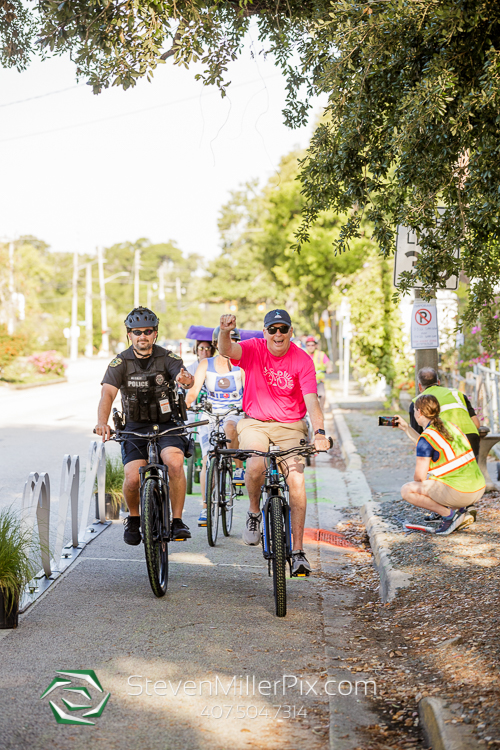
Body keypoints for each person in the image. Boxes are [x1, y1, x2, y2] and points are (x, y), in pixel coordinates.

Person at [218, 308, 330, 576]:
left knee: (297, 479)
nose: (278, 334)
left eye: (283, 329)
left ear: (291, 332)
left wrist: (320, 432)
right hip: (255, 422)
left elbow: (312, 399)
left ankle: (299, 550)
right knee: (255, 465)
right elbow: (226, 351)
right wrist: (224, 330)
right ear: (265, 332)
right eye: (272, 329)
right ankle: (255, 513)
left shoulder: (303, 360)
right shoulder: (254, 348)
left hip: (291, 425)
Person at [95, 306, 195, 546]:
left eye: (148, 331)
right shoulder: (119, 362)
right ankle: (134, 518)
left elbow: (184, 378)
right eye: (137, 331)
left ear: (155, 333)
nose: (143, 336)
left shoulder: (168, 358)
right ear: (129, 334)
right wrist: (102, 422)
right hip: (134, 427)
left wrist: (186, 380)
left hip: (167, 425)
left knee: (174, 462)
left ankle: (177, 521)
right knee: (131, 479)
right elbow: (107, 394)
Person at [399, 394, 485, 535]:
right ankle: (460, 511)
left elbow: (419, 478)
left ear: (419, 412)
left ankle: (448, 515)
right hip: (478, 489)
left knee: (407, 490)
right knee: (438, 478)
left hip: (461, 493)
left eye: (414, 410)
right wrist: (406, 428)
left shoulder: (427, 438)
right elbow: (427, 442)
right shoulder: (450, 426)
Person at [186, 326, 245, 526]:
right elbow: (193, 391)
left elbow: (251, 390)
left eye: (234, 341)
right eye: (225, 341)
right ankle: (205, 507)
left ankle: (238, 468)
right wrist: (185, 404)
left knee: (230, 427)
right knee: (206, 461)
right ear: (216, 344)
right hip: (210, 415)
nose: (229, 345)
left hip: (235, 413)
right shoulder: (206, 364)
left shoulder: (242, 365)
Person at [409, 367, 480, 457]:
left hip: (443, 444)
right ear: (438, 382)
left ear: (419, 386)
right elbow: (476, 424)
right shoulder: (457, 394)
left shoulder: (416, 402)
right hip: (471, 440)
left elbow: (419, 438)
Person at [305, 336, 333, 410]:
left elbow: (328, 363)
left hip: (318, 381)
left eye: (312, 345)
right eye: (308, 345)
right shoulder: (303, 354)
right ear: (306, 346)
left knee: (322, 395)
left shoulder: (321, 354)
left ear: (315, 345)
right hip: (306, 382)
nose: (310, 347)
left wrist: (329, 368)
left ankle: (320, 412)